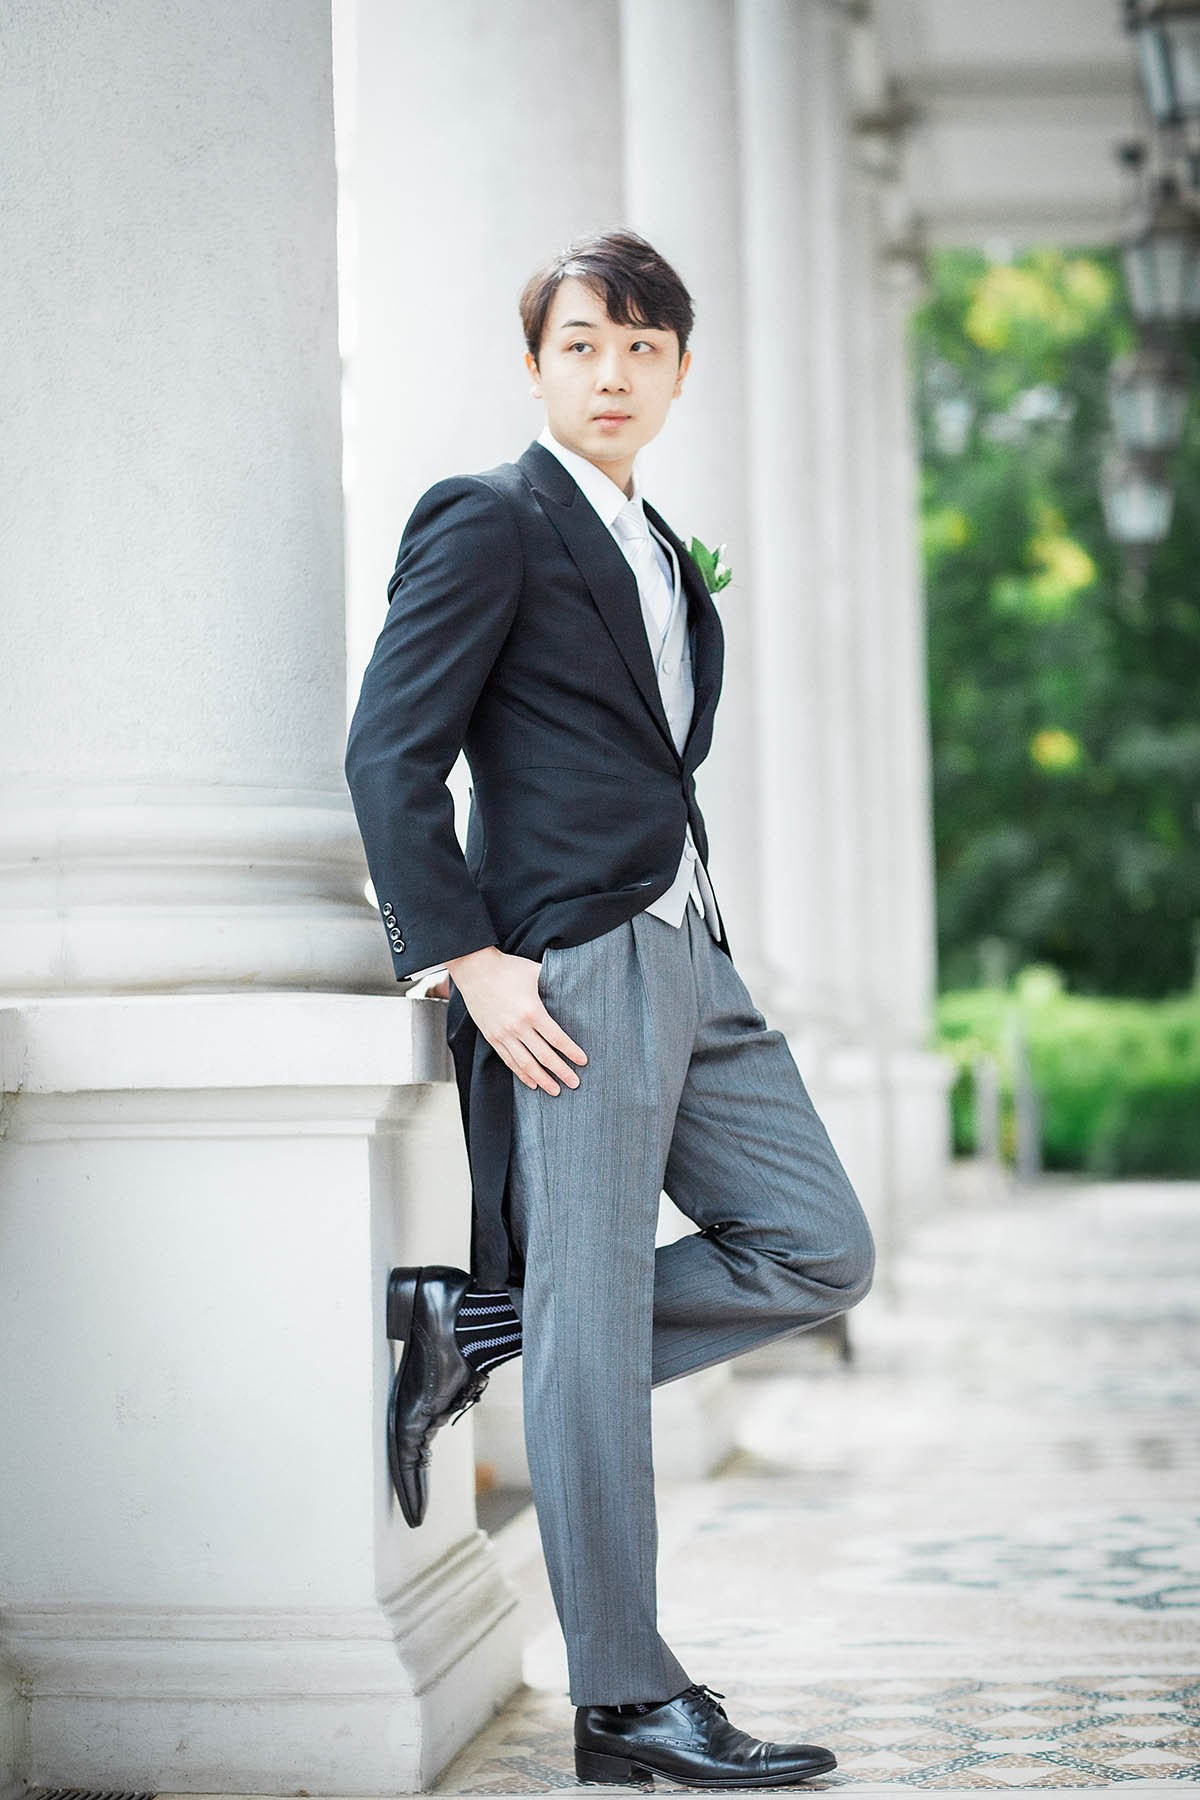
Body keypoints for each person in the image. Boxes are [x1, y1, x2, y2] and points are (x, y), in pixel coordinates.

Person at [344, 227, 876, 1788]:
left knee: (818, 1245)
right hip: (565, 972)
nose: (613, 372)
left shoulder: (657, 546)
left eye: (643, 347)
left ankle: (493, 1333)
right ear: (537, 367)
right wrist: (467, 956)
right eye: (582, 344)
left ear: (681, 371)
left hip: (688, 956)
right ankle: (628, 1700)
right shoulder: (491, 519)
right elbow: (391, 755)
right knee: (595, 1336)